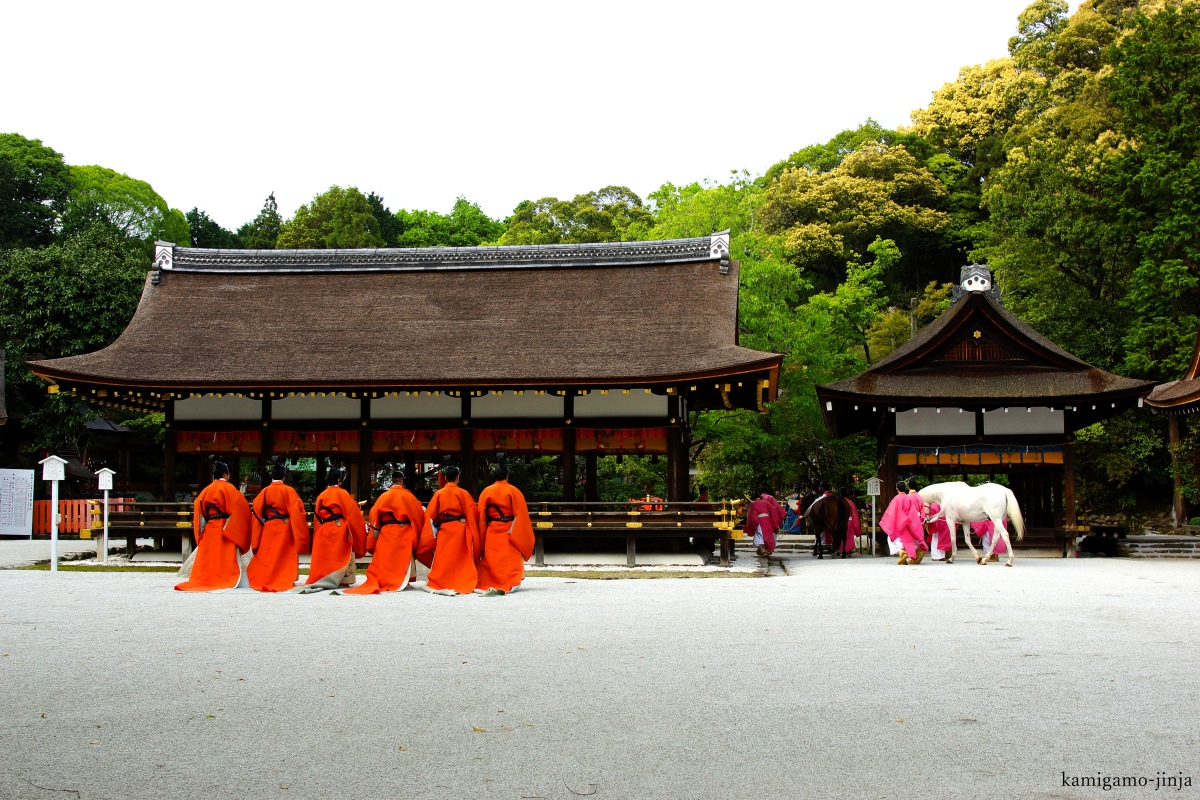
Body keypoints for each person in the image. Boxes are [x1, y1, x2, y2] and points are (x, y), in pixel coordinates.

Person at [342, 469, 429, 595]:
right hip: (403, 530)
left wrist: (376, 533)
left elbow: (373, 515)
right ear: (402, 481)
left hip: (386, 531)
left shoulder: (383, 496)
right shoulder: (408, 496)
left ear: (392, 481)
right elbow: (418, 515)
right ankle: (404, 580)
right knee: (403, 557)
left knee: (386, 559)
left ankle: (387, 579)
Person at [176, 460, 253, 591]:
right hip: (225, 528)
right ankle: (223, 579)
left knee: (209, 557)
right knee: (225, 557)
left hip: (210, 527)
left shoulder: (206, 490)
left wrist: (201, 530)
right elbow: (242, 508)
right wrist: (232, 527)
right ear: (225, 474)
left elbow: (199, 510)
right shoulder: (230, 489)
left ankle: (207, 579)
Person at [297, 468, 367, 592]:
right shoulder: (343, 494)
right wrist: (357, 536)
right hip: (340, 527)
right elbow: (353, 515)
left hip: (324, 527)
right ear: (339, 480)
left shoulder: (322, 495)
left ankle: (322, 577)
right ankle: (343, 580)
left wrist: (318, 533)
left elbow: (317, 517)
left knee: (325, 554)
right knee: (340, 552)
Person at [245, 462, 310, 592]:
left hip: (269, 526)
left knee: (268, 554)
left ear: (271, 476)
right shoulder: (289, 491)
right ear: (284, 476)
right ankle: (282, 577)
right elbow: (297, 511)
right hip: (284, 526)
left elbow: (256, 511)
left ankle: (267, 577)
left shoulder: (264, 491)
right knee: (283, 555)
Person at [422, 465, 483, 596]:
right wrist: (474, 533)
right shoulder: (463, 493)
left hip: (444, 529)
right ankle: (462, 580)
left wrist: (433, 533)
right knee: (461, 558)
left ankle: (443, 581)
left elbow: (430, 517)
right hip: (461, 529)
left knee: (444, 558)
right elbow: (472, 514)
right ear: (457, 478)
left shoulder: (438, 494)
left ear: (445, 478)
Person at [475, 461, 535, 595]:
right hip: (508, 530)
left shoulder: (486, 491)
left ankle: (490, 581)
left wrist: (482, 535)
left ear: (495, 475)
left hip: (492, 529)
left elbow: (482, 516)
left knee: (492, 558)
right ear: (507, 475)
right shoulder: (514, 491)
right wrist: (517, 532)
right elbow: (521, 516)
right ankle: (509, 580)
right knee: (509, 559)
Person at [879, 480, 925, 565]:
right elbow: (913, 512)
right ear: (905, 488)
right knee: (909, 540)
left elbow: (892, 512)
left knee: (892, 538)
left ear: (897, 489)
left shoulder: (896, 499)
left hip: (898, 523)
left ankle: (901, 552)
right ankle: (908, 555)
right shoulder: (909, 498)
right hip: (908, 523)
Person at [743, 486, 786, 558]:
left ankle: (762, 549)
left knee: (759, 535)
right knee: (768, 536)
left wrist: (752, 524)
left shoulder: (753, 504)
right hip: (767, 521)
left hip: (759, 521)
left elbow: (750, 515)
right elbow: (774, 510)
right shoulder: (767, 501)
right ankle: (767, 550)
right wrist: (774, 520)